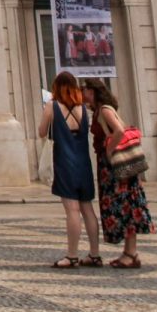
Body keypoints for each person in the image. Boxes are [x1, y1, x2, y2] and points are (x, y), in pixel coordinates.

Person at [87, 79, 152, 268]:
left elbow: (119, 130)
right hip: (113, 167)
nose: (83, 94)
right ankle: (129, 252)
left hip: (115, 166)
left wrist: (109, 150)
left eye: (85, 90)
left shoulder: (105, 110)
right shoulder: (100, 110)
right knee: (125, 206)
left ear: (92, 92)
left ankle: (130, 254)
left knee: (125, 206)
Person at [39, 72, 101, 268]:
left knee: (72, 210)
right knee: (88, 208)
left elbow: (41, 132)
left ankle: (72, 255)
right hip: (84, 163)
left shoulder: (52, 106)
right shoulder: (83, 109)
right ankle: (94, 253)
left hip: (65, 162)